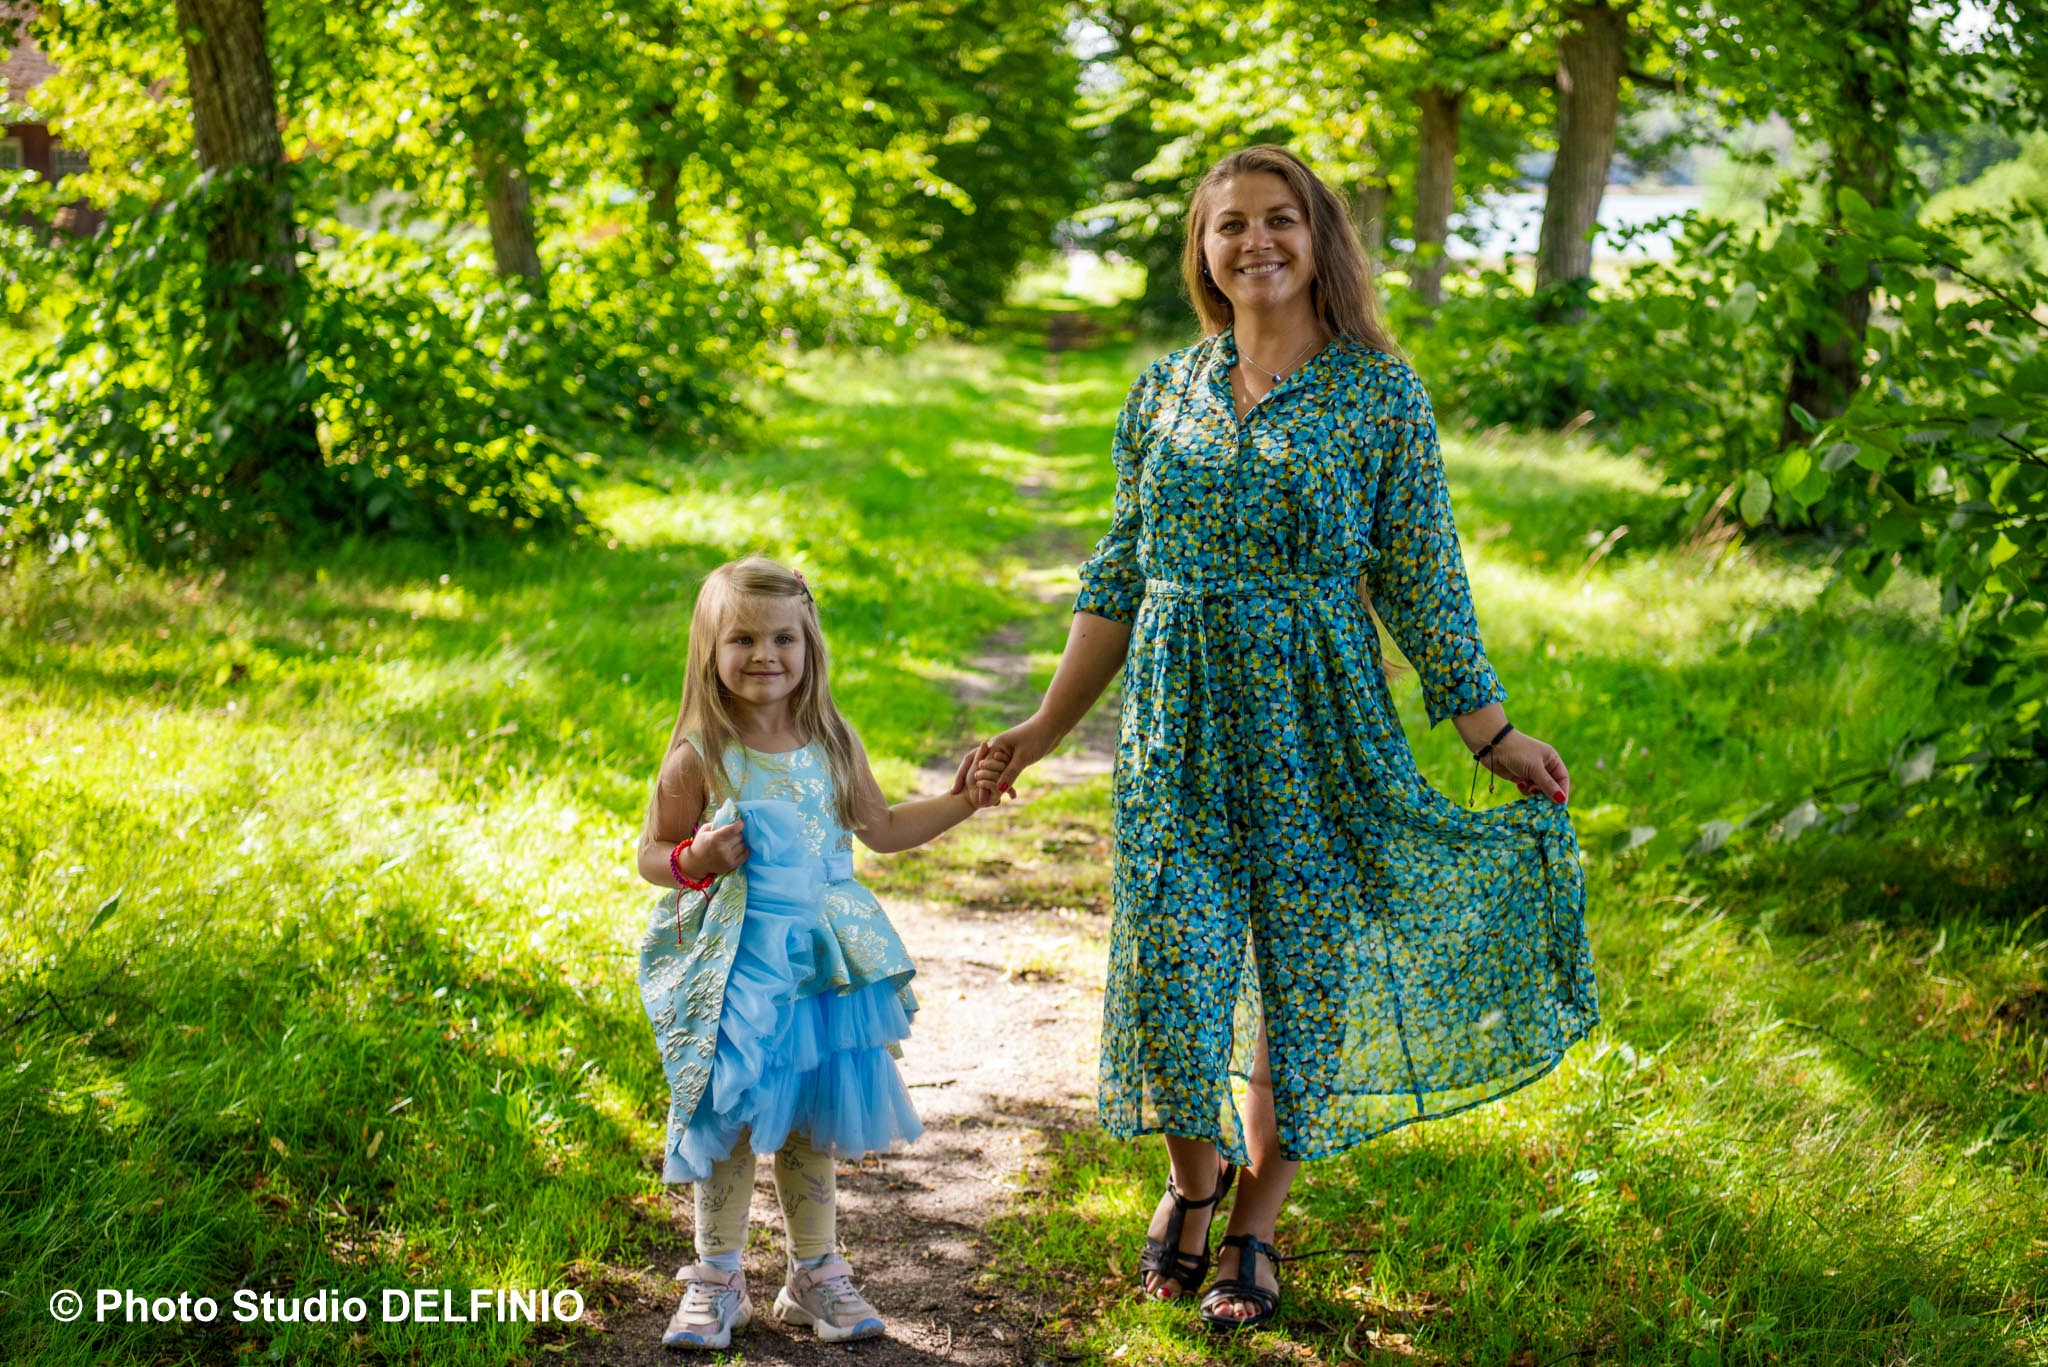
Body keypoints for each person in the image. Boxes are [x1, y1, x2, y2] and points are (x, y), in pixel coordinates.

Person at [976, 145, 1599, 1332]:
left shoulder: (1378, 393)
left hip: (1319, 718)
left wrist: (1491, 731)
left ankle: (1252, 1224)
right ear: (1202, 251)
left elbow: (1422, 577)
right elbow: (1118, 572)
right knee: (1173, 961)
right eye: (1229, 225)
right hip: (1175, 724)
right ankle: (1190, 1182)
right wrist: (1043, 726)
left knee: (1303, 973)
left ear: (1318, 240)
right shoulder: (1162, 391)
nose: (1254, 241)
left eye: (1278, 220)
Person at [635, 555, 995, 1349]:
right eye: (743, 639)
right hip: (738, 964)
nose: (765, 654)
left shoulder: (831, 740)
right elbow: (651, 853)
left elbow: (884, 828)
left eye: (783, 638)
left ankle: (815, 1272)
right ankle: (717, 1276)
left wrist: (963, 800)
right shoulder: (702, 751)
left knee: (808, 1119)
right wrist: (696, 857)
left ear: (809, 645)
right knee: (728, 1116)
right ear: (710, 651)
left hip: (820, 965)